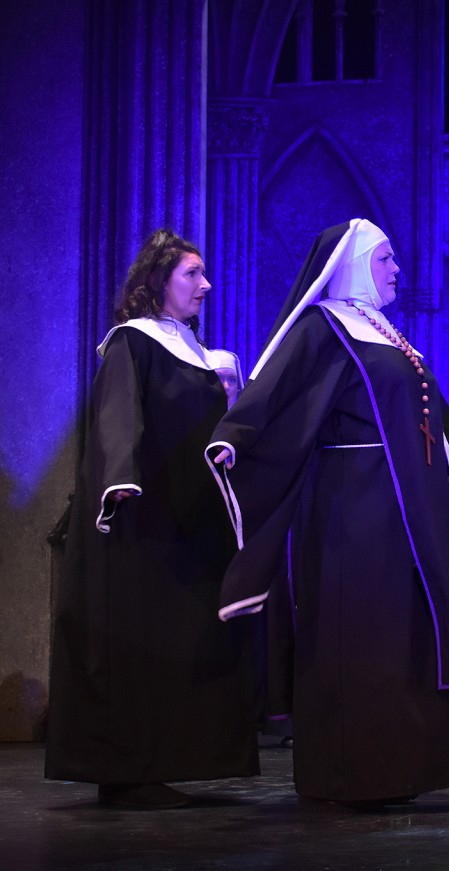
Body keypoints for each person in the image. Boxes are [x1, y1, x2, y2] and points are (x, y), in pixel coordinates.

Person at [206, 219, 449, 805]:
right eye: (385, 259)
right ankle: (352, 773)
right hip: (352, 507)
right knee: (359, 634)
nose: (397, 270)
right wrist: (234, 435)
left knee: (401, 633)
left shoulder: (383, 330)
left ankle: (402, 768)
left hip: (406, 506)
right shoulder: (323, 324)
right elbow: (273, 384)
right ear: (353, 264)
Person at [45, 229, 259, 809]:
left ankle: (164, 763)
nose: (205, 285)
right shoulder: (132, 342)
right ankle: (128, 771)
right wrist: (119, 479)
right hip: (142, 514)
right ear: (158, 281)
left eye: (204, 273)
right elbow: (117, 413)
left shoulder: (195, 350)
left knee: (180, 640)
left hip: (188, 520)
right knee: (136, 642)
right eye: (192, 274)